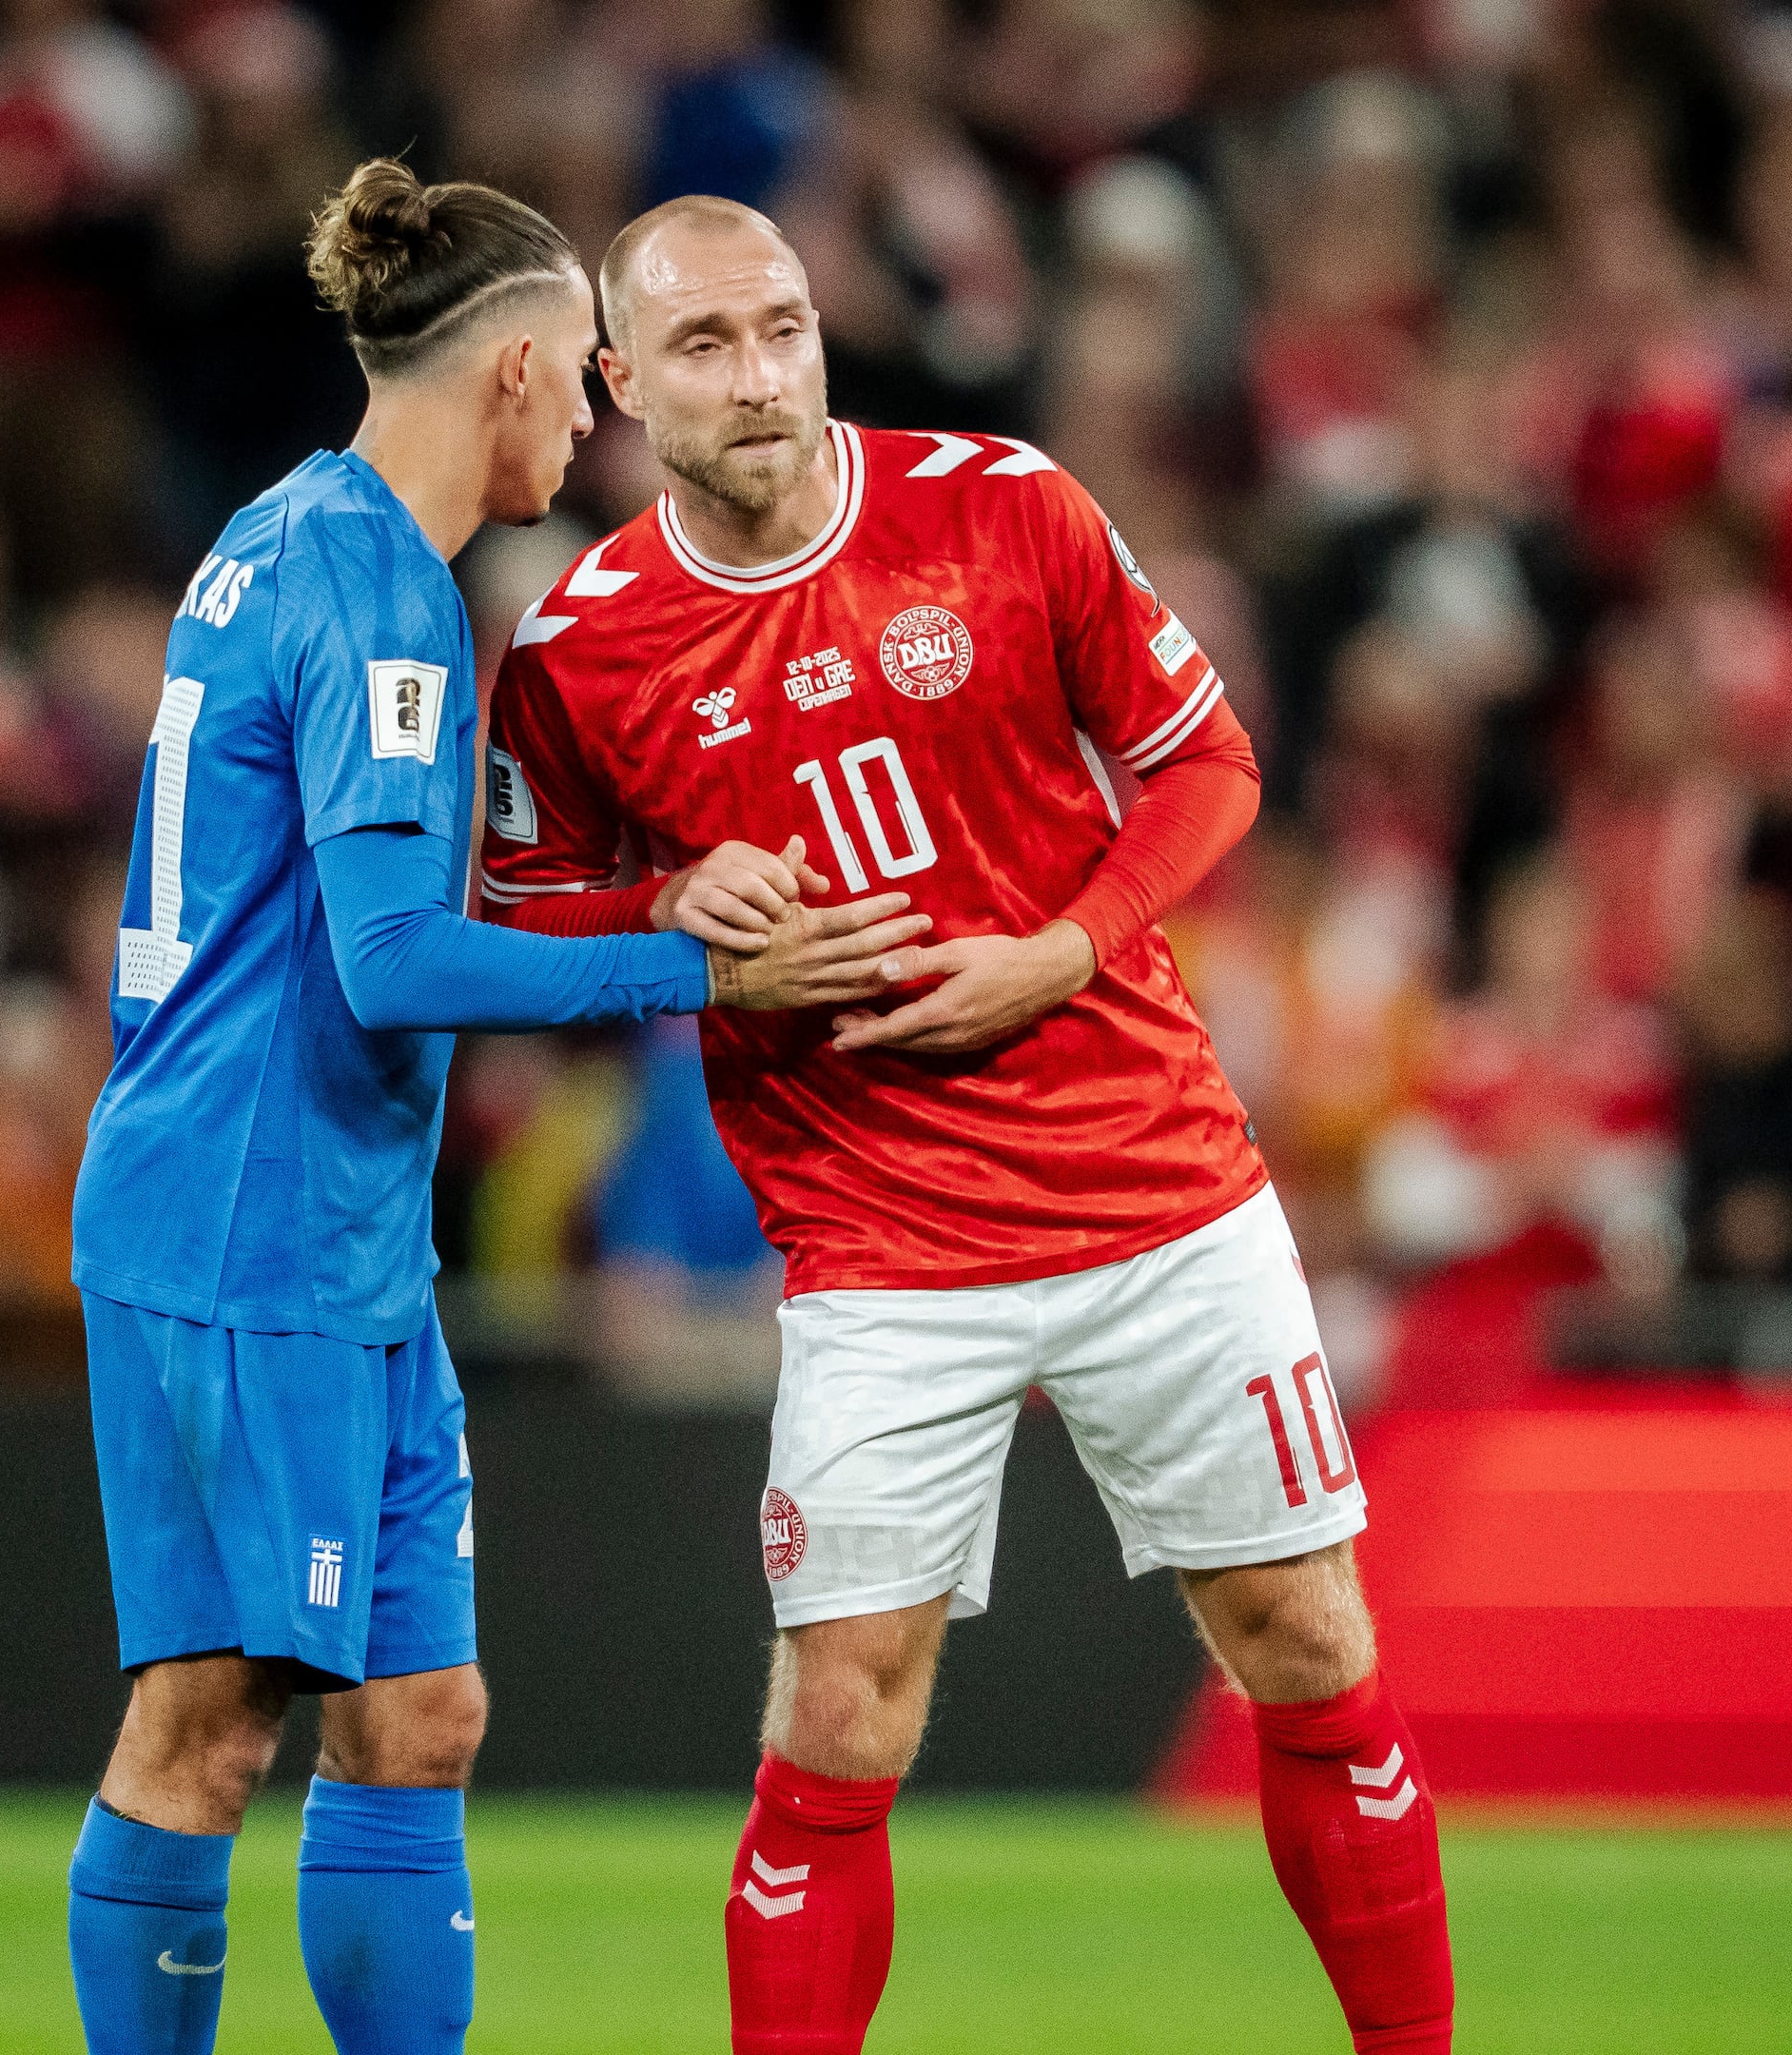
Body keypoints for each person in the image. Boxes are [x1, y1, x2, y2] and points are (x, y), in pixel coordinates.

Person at [480, 197, 1456, 2053]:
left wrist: (1065, 949)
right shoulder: (585, 643)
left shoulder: (1005, 509)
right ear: (619, 384)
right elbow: (530, 911)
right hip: (878, 1238)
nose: (757, 376)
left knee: (1314, 1656)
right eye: (702, 346)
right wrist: (676, 926)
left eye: (782, 328)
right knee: (843, 1713)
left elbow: (1208, 766)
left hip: (1154, 1186)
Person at [59, 161, 926, 2055]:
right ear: (526, 369)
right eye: (592, 378)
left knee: (420, 1716)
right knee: (208, 1725)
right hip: (242, 1226)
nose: (606, 415)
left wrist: (649, 901)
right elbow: (390, 960)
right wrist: (697, 968)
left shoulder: (292, 531)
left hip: (334, 1226)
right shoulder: (382, 596)